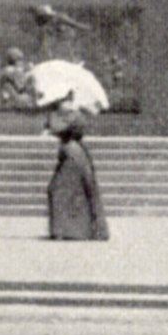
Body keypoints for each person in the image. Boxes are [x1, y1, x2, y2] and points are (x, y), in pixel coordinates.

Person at [46, 103, 108, 241]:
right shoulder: (72, 112)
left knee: (59, 190)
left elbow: (63, 129)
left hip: (73, 157)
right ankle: (73, 229)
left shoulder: (71, 114)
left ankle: (66, 229)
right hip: (76, 155)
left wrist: (54, 128)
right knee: (67, 191)